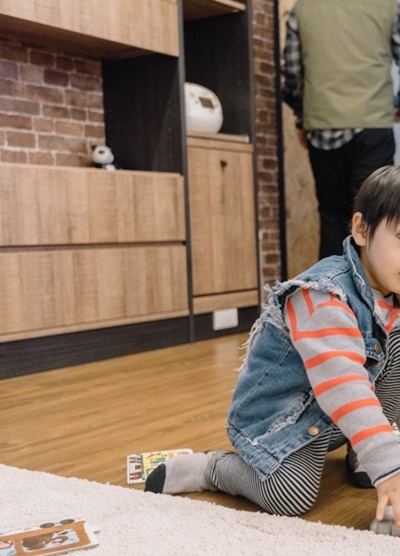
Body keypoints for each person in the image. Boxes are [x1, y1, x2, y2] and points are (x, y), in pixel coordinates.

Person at [145, 165, 400, 529]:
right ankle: (212, 469)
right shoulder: (323, 296)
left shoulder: (391, 290)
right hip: (284, 420)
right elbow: (343, 384)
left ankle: (366, 450)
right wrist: (389, 461)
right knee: (290, 496)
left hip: (334, 417)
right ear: (361, 229)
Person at [282, 0, 400, 259]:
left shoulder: (303, 8)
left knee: (332, 220)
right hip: (371, 126)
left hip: (322, 128)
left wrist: (304, 118)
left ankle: (332, 285)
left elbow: (292, 73)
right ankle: (374, 287)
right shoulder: (387, 5)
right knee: (376, 219)